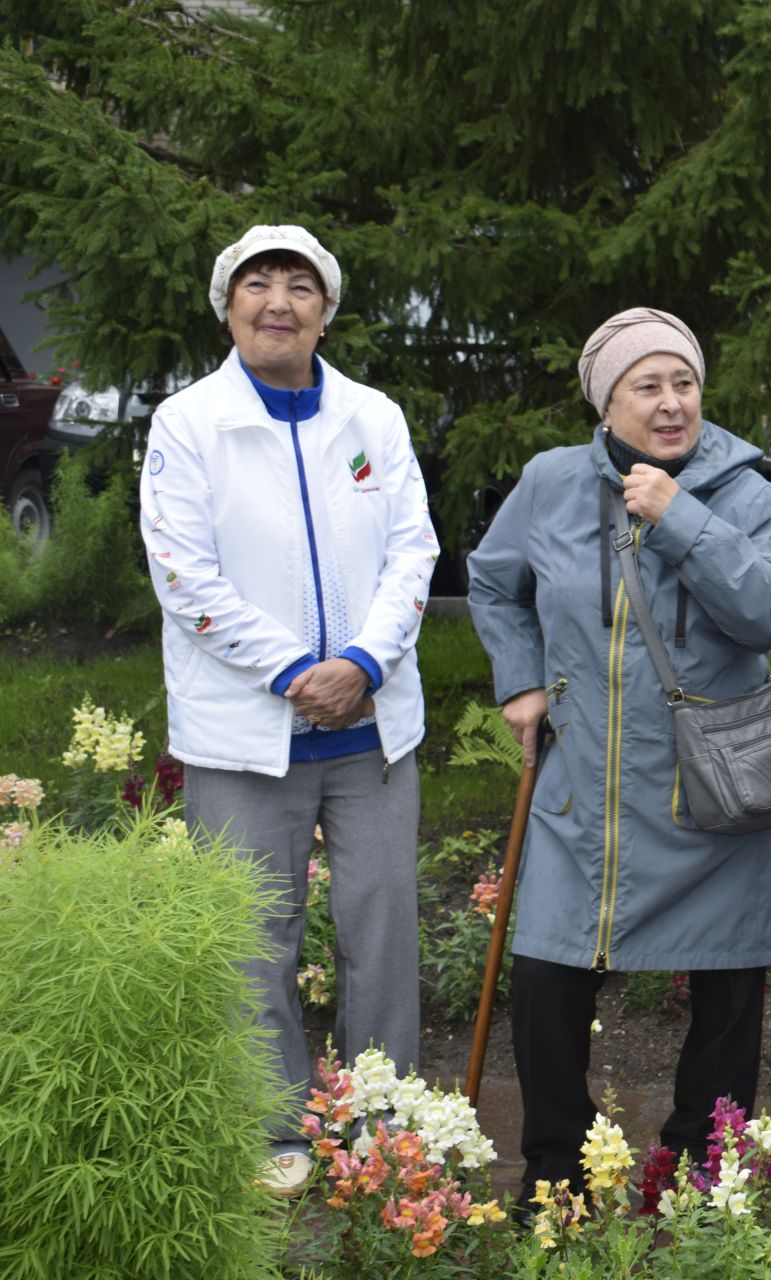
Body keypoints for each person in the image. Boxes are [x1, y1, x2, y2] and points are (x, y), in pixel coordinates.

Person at [466, 306, 771, 1207]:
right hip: (587, 794)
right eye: (646, 386)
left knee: (731, 988)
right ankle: (555, 1175)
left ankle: (702, 1172)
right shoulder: (549, 484)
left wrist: (680, 516)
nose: (670, 404)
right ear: (605, 403)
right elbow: (495, 582)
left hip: (713, 791)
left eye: (684, 383)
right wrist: (521, 683)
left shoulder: (746, 493)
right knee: (544, 981)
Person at [140, 224, 437, 1195]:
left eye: (299, 286)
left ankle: (379, 1116)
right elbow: (185, 573)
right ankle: (275, 1120)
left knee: (382, 921)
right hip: (245, 732)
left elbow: (413, 553)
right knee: (254, 932)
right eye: (257, 285)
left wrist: (359, 660)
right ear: (227, 308)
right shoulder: (189, 423)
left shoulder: (374, 419)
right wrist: (294, 671)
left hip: (372, 725)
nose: (279, 302)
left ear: (326, 308)